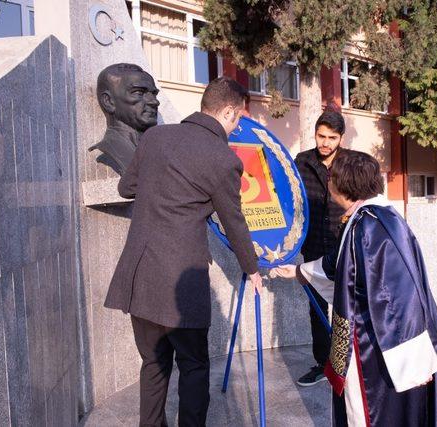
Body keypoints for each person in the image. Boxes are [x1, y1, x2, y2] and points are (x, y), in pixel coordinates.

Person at [104, 77, 263, 426]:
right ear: (225, 112)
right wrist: (253, 269)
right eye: (236, 120)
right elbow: (234, 222)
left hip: (140, 274)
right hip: (181, 284)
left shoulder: (155, 137)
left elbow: (126, 187)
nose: (236, 128)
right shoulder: (222, 158)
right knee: (192, 366)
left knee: (153, 363)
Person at [272, 150, 437, 426]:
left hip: (382, 347)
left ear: (343, 185)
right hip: (380, 338)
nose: (328, 182)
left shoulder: (370, 227)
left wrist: (412, 359)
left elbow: (397, 296)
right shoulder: (368, 217)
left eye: (331, 177)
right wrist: (298, 271)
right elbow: (340, 265)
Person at [293, 110, 346, 386]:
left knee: (345, 308)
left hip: (344, 247)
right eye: (321, 136)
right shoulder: (302, 161)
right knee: (316, 308)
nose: (325, 143)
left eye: (332, 138)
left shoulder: (350, 163)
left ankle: (346, 364)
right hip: (313, 246)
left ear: (341, 138)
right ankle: (322, 363)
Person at [89, 63, 160, 175]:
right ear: (108, 102)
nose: (154, 101)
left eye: (154, 94)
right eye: (138, 93)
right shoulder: (109, 154)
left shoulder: (162, 151)